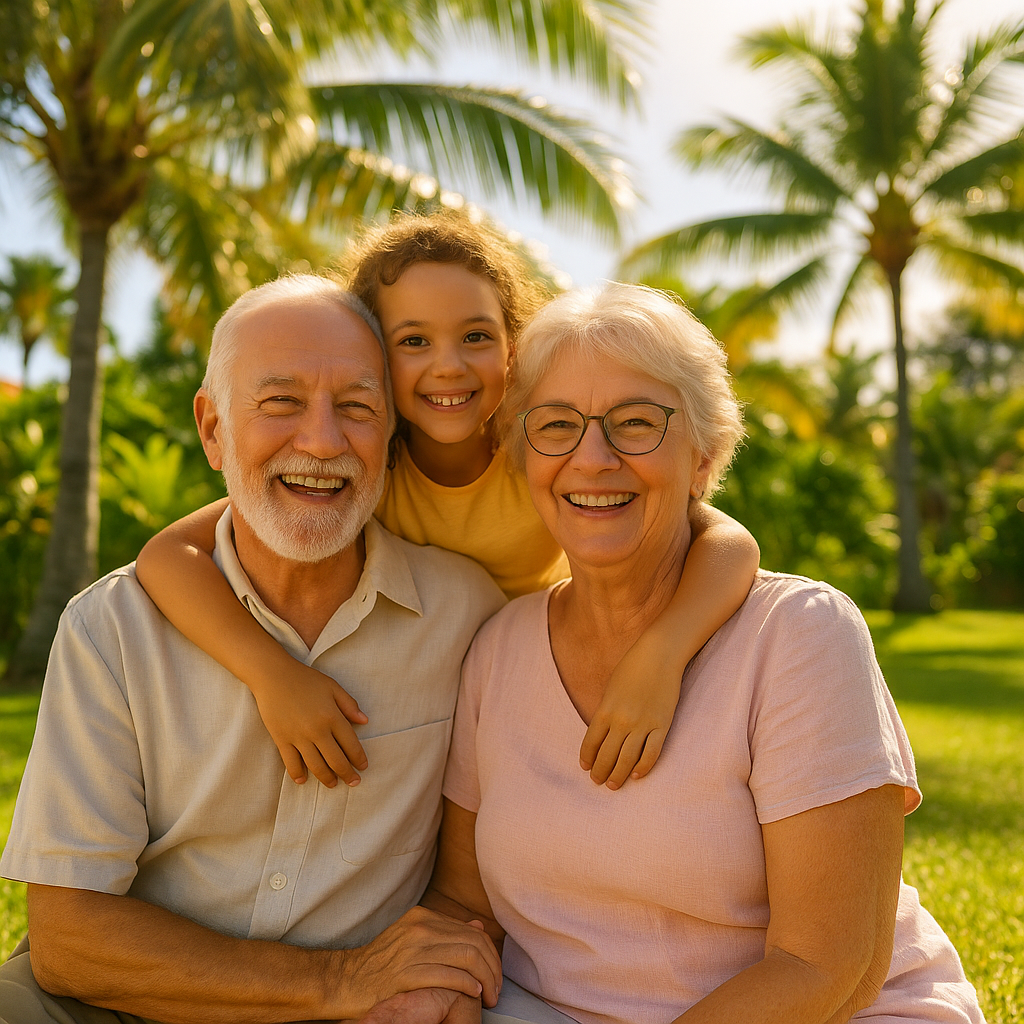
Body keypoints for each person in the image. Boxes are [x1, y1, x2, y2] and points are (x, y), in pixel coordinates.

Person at [426, 282, 986, 1024]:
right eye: (556, 425)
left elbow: (827, 968)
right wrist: (437, 989)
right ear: (521, 455)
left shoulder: (797, 634)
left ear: (704, 456)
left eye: (636, 423)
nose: (592, 459)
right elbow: (465, 903)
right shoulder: (497, 649)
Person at [0, 276, 507, 1023]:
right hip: (133, 1000)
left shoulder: (469, 619)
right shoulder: (111, 629)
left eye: (359, 408)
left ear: (393, 437)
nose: (322, 441)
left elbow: (486, 879)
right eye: (281, 404)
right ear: (213, 430)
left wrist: (414, 982)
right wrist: (339, 981)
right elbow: (70, 941)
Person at [133, 212, 762, 797]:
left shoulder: (541, 451)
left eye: (476, 336)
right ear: (373, 362)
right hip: (426, 697)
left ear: (513, 347)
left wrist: (660, 655)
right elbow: (168, 554)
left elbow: (728, 542)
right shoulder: (363, 469)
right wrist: (272, 676)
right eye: (412, 342)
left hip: (554, 668)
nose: (448, 366)